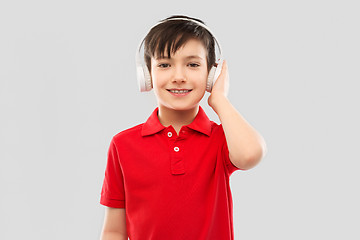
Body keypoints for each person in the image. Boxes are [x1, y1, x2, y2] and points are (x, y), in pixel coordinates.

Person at [99, 15, 267, 240]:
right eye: (165, 65)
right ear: (147, 75)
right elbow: (114, 231)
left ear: (211, 75)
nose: (178, 77)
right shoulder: (123, 145)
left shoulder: (220, 139)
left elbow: (250, 154)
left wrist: (219, 100)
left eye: (193, 64)